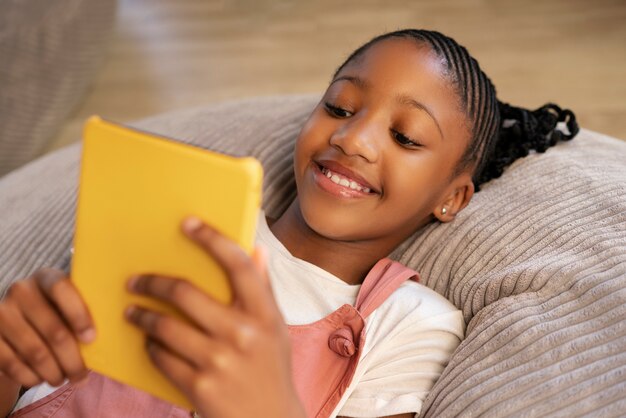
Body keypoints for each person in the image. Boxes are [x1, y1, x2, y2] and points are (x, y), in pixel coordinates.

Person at [0, 29, 578, 418]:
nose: (352, 139)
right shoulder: (180, 220)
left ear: (452, 198)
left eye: (405, 137)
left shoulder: (409, 325)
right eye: (340, 108)